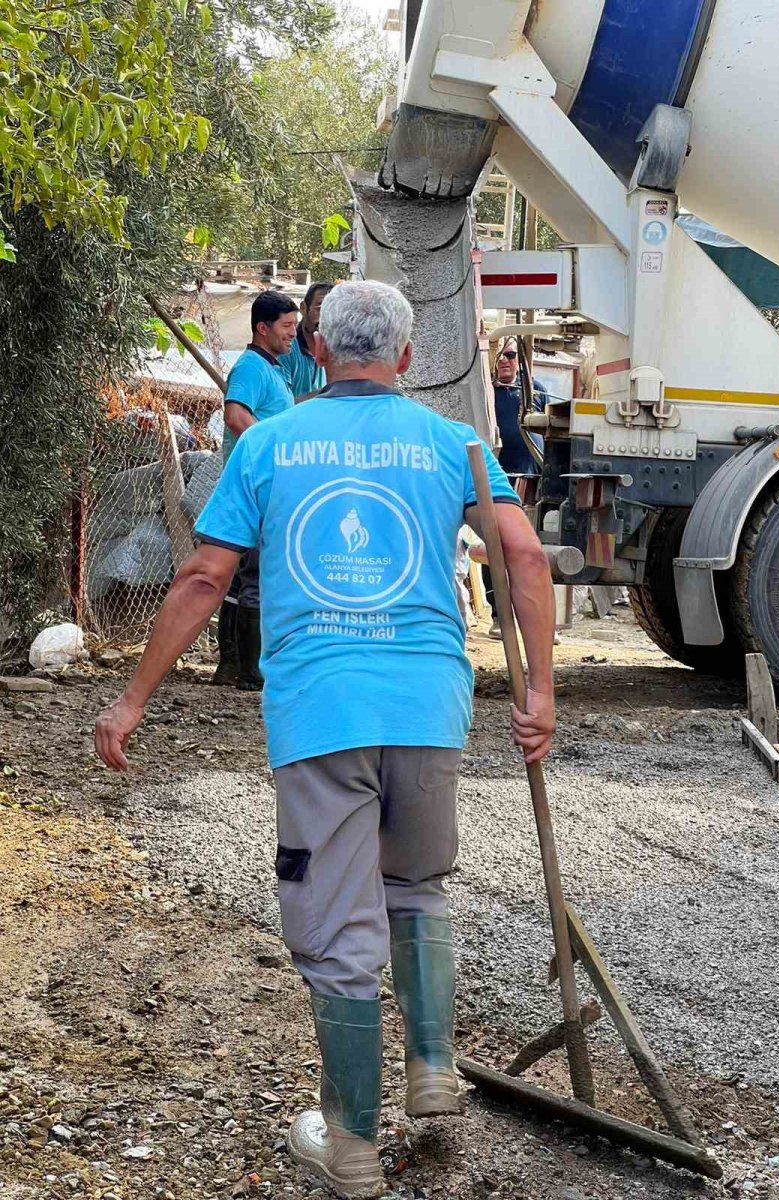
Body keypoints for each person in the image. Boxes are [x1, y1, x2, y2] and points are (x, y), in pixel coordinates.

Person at [95, 280, 556, 1200]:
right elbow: (527, 557)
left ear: (315, 346)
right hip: (429, 708)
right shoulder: (454, 445)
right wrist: (539, 690)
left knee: (340, 928)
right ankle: (431, 1069)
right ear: (407, 357)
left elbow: (200, 578)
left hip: (320, 715)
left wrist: (133, 698)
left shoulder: (269, 443)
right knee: (416, 885)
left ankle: (349, 1148)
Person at [212, 290, 298, 689]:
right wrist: (269, 453)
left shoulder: (275, 368)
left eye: (295, 327)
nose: (293, 334)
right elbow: (235, 416)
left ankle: (235, 664)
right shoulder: (250, 367)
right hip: (256, 484)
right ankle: (251, 671)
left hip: (269, 483)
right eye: (286, 327)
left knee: (246, 574)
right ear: (262, 328)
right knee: (256, 575)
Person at [484, 339, 550, 638]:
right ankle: (500, 615)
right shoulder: (487, 393)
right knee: (494, 545)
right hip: (498, 478)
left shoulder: (534, 390)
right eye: (500, 356)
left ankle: (537, 620)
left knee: (529, 548)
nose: (505, 361)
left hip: (530, 478)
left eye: (511, 355)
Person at [279, 281, 333, 401]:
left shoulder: (335, 350)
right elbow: (280, 406)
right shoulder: (286, 348)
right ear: (303, 308)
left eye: (331, 311)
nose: (325, 317)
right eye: (320, 308)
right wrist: (327, 394)